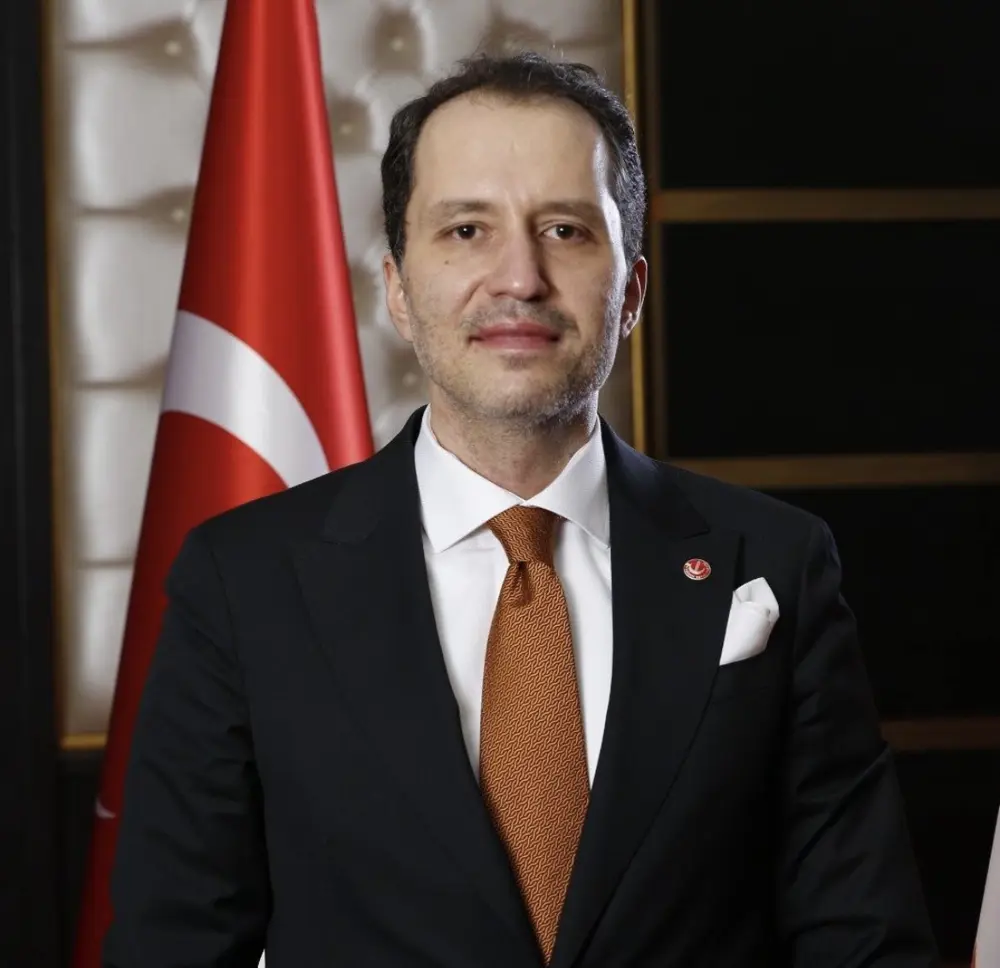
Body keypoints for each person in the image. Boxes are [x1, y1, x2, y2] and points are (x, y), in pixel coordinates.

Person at [104, 52, 940, 968]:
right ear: (397, 290)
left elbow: (865, 944)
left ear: (631, 292)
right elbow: (173, 946)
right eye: (467, 229)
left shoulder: (776, 562)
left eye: (566, 230)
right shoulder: (243, 581)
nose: (519, 278)